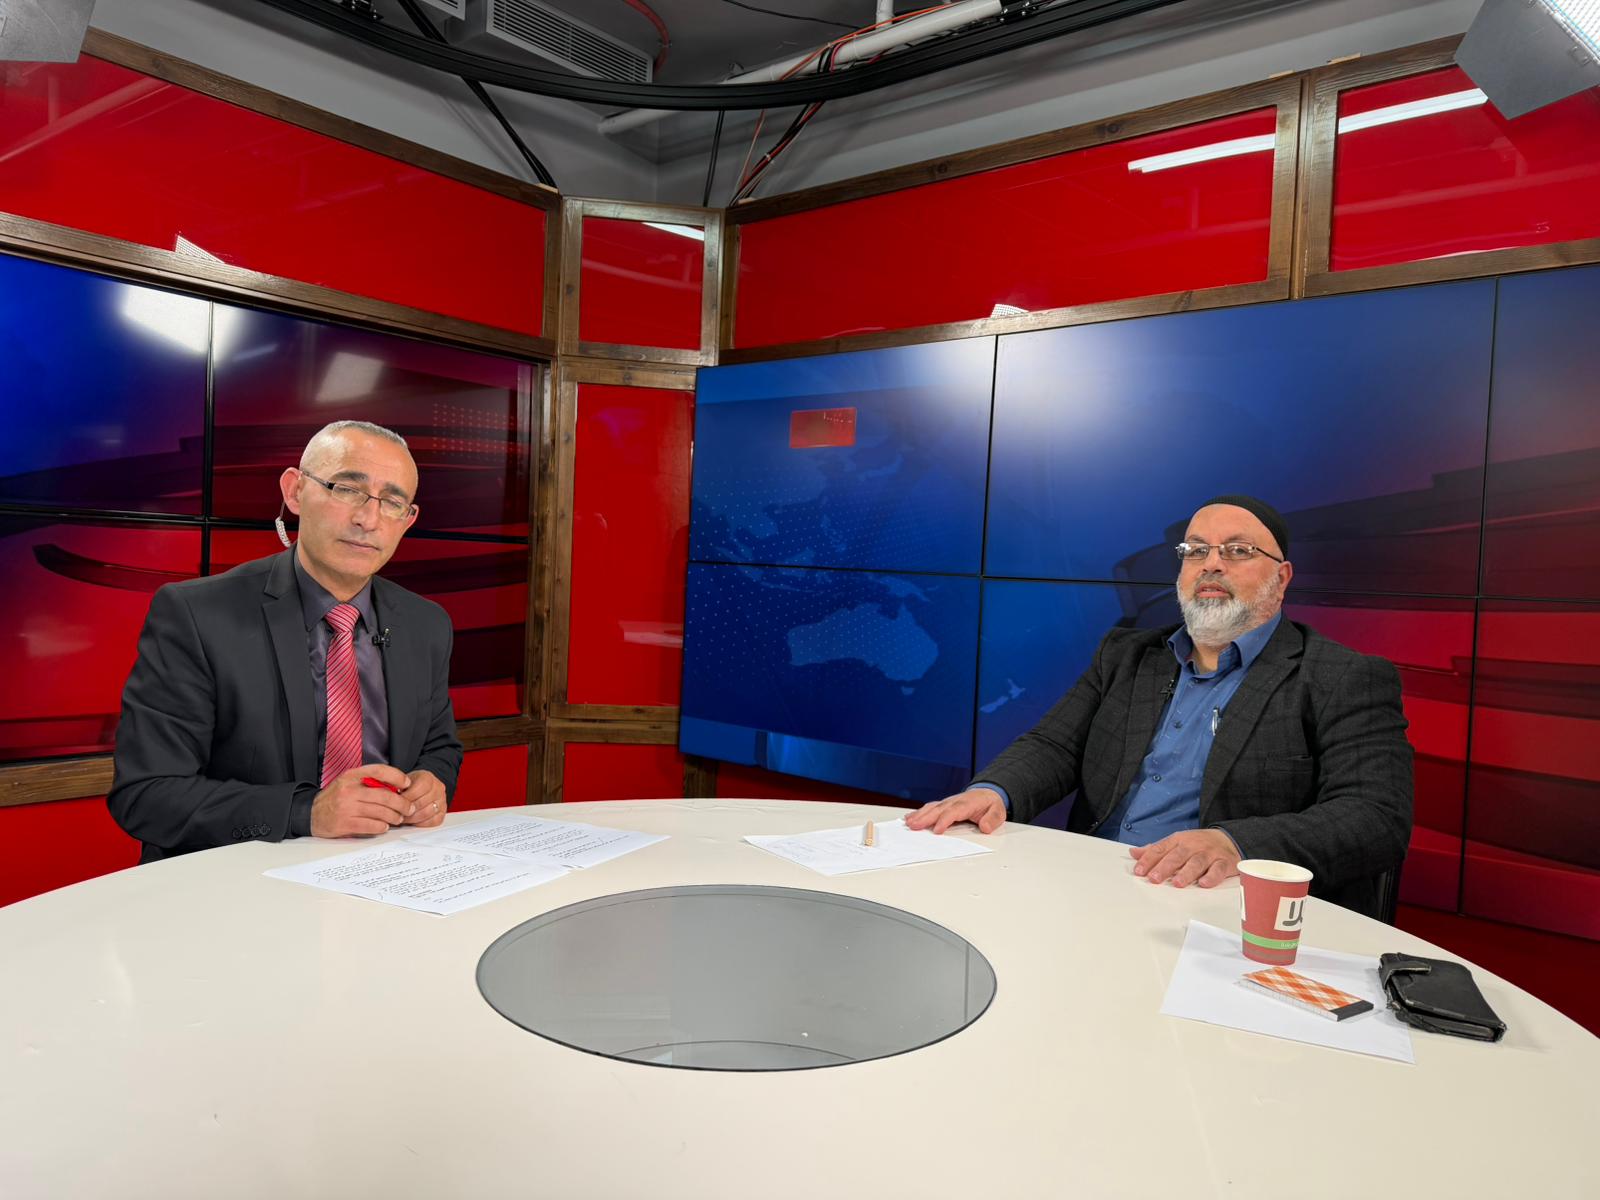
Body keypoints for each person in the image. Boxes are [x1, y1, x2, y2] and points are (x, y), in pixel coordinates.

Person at [906, 495, 1412, 918]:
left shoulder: (1341, 677)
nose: (1211, 563)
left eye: (1237, 550)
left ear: (1281, 578)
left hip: (1217, 911)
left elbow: (1374, 817)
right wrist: (994, 791)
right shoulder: (1126, 655)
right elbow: (1055, 745)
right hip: (1088, 887)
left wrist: (1235, 843)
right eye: (1196, 550)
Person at [109, 420, 462, 862]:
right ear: (295, 491)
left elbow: (440, 747)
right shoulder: (196, 614)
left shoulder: (426, 623)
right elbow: (147, 794)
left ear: (407, 520)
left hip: (382, 869)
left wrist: (431, 782)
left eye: (391, 502)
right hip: (235, 879)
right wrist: (306, 812)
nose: (367, 519)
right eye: (347, 489)